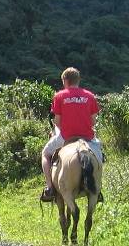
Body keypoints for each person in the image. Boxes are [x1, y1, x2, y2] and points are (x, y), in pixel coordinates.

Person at [40, 67, 102, 202]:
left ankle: (50, 187)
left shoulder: (59, 96)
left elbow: (57, 121)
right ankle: (97, 189)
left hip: (66, 137)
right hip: (88, 138)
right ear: (78, 80)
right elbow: (93, 120)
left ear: (64, 81)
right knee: (99, 156)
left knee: (45, 154)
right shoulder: (90, 96)